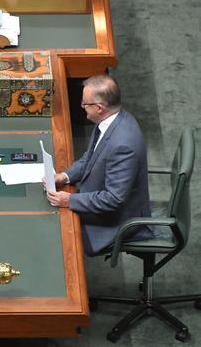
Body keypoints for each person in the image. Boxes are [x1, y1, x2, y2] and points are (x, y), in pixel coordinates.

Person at [46, 75, 155, 256]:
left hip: (114, 221)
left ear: (99, 108)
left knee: (55, 236)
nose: (82, 107)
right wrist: (64, 176)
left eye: (84, 104)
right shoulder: (111, 120)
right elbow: (91, 156)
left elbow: (113, 198)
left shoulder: (122, 145)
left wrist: (70, 200)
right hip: (94, 196)